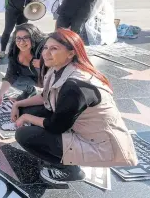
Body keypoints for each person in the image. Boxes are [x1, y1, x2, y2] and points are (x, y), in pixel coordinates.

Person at [11, 28, 137, 185]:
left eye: (54, 48)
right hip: (78, 127)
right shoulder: (59, 68)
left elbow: (55, 126)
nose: (46, 53)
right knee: (28, 109)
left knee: (24, 135)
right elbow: (46, 96)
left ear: (71, 53)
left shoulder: (75, 85)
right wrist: (18, 104)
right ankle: (60, 153)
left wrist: (26, 117)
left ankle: (70, 170)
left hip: (99, 144)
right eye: (45, 48)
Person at [0, 23, 46, 105]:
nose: (21, 42)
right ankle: (30, 90)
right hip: (33, 80)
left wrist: (44, 64)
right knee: (13, 81)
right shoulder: (14, 52)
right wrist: (0, 93)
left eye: (26, 38)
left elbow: (60, 66)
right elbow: (10, 75)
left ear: (33, 38)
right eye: (18, 38)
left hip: (48, 81)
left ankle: (45, 93)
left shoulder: (44, 50)